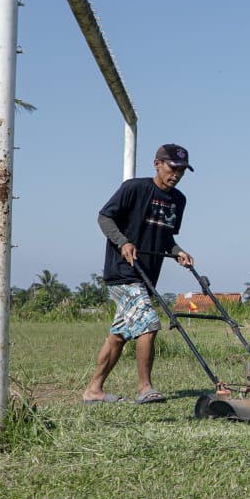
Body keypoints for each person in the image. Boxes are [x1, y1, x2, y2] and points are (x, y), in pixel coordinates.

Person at [81, 144, 196, 405]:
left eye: (182, 170)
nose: (177, 174)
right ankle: (145, 387)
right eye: (173, 168)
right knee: (149, 323)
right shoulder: (134, 189)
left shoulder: (178, 200)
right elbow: (104, 217)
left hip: (146, 276)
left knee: (119, 335)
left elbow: (166, 237)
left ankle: (93, 390)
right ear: (157, 164)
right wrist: (123, 242)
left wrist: (178, 252)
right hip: (122, 271)